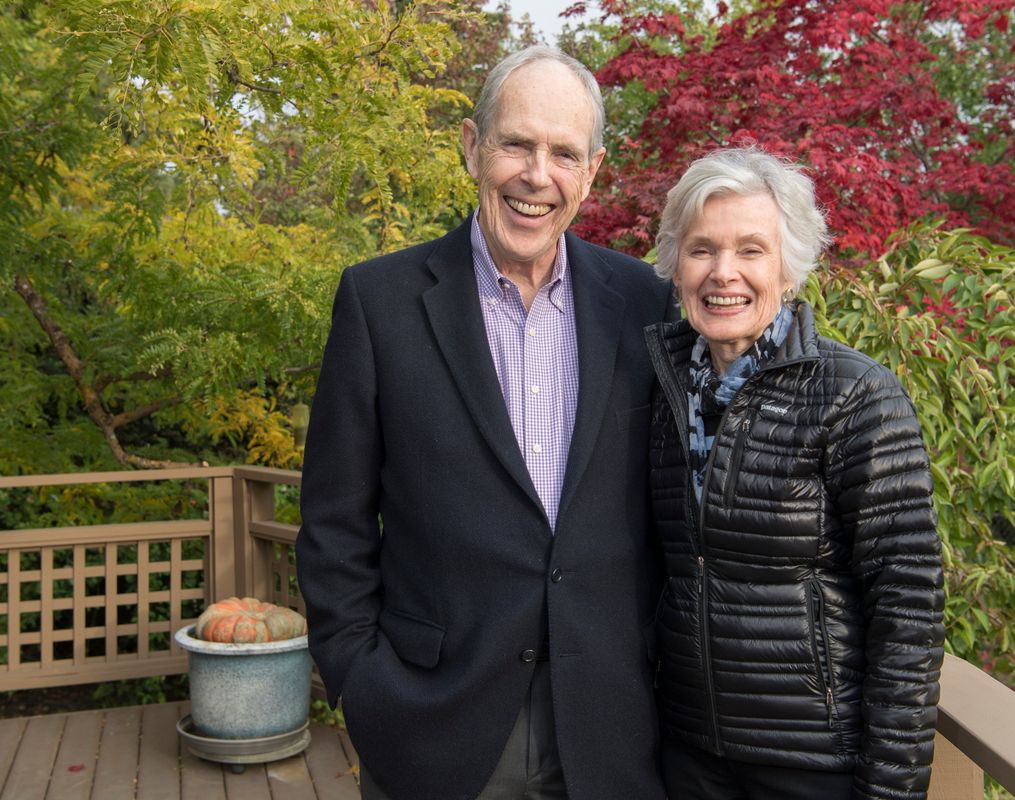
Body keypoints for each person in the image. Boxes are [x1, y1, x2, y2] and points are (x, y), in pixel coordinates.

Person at [296, 46, 672, 800]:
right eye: (517, 144)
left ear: (592, 172)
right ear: (473, 146)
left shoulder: (643, 303)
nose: (538, 175)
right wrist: (361, 682)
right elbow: (332, 522)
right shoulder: (380, 303)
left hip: (608, 733)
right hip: (434, 729)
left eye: (564, 154)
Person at [643, 147, 945, 800]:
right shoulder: (659, 387)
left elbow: (909, 613)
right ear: (675, 262)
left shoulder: (856, 395)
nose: (724, 273)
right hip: (688, 755)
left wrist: (890, 789)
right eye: (702, 249)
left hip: (813, 766)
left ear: (789, 265)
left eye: (751, 250)